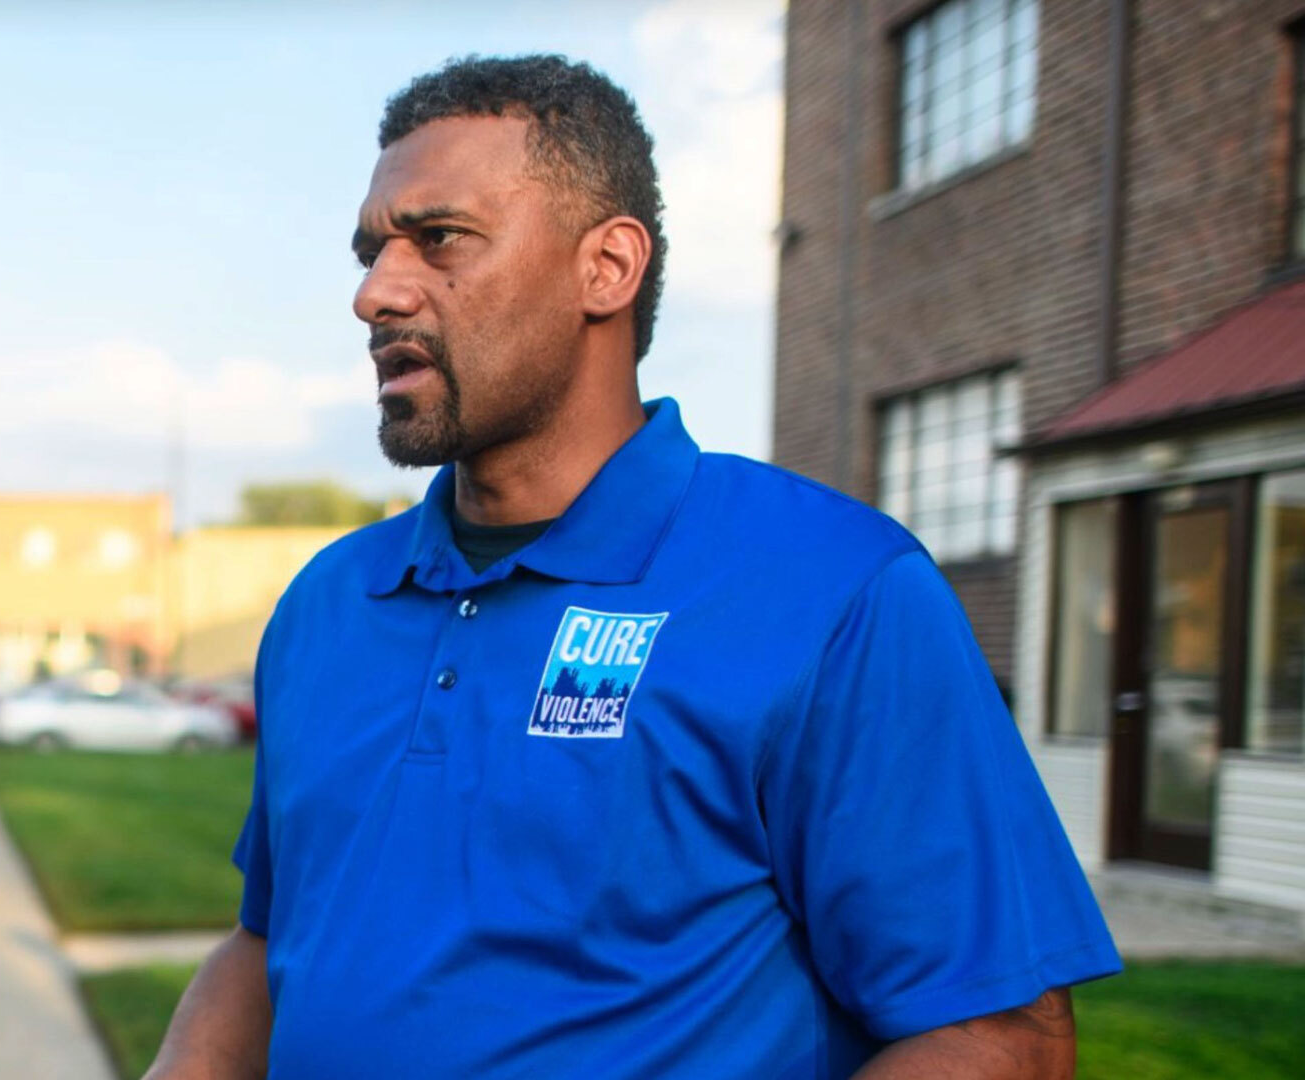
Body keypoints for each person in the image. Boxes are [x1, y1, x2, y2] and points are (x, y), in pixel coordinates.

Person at [147, 55, 1118, 1079]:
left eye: (439, 240)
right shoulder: (326, 605)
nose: (376, 293)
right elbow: (270, 940)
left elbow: (1000, 1034)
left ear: (606, 268)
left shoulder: (834, 589)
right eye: (372, 251)